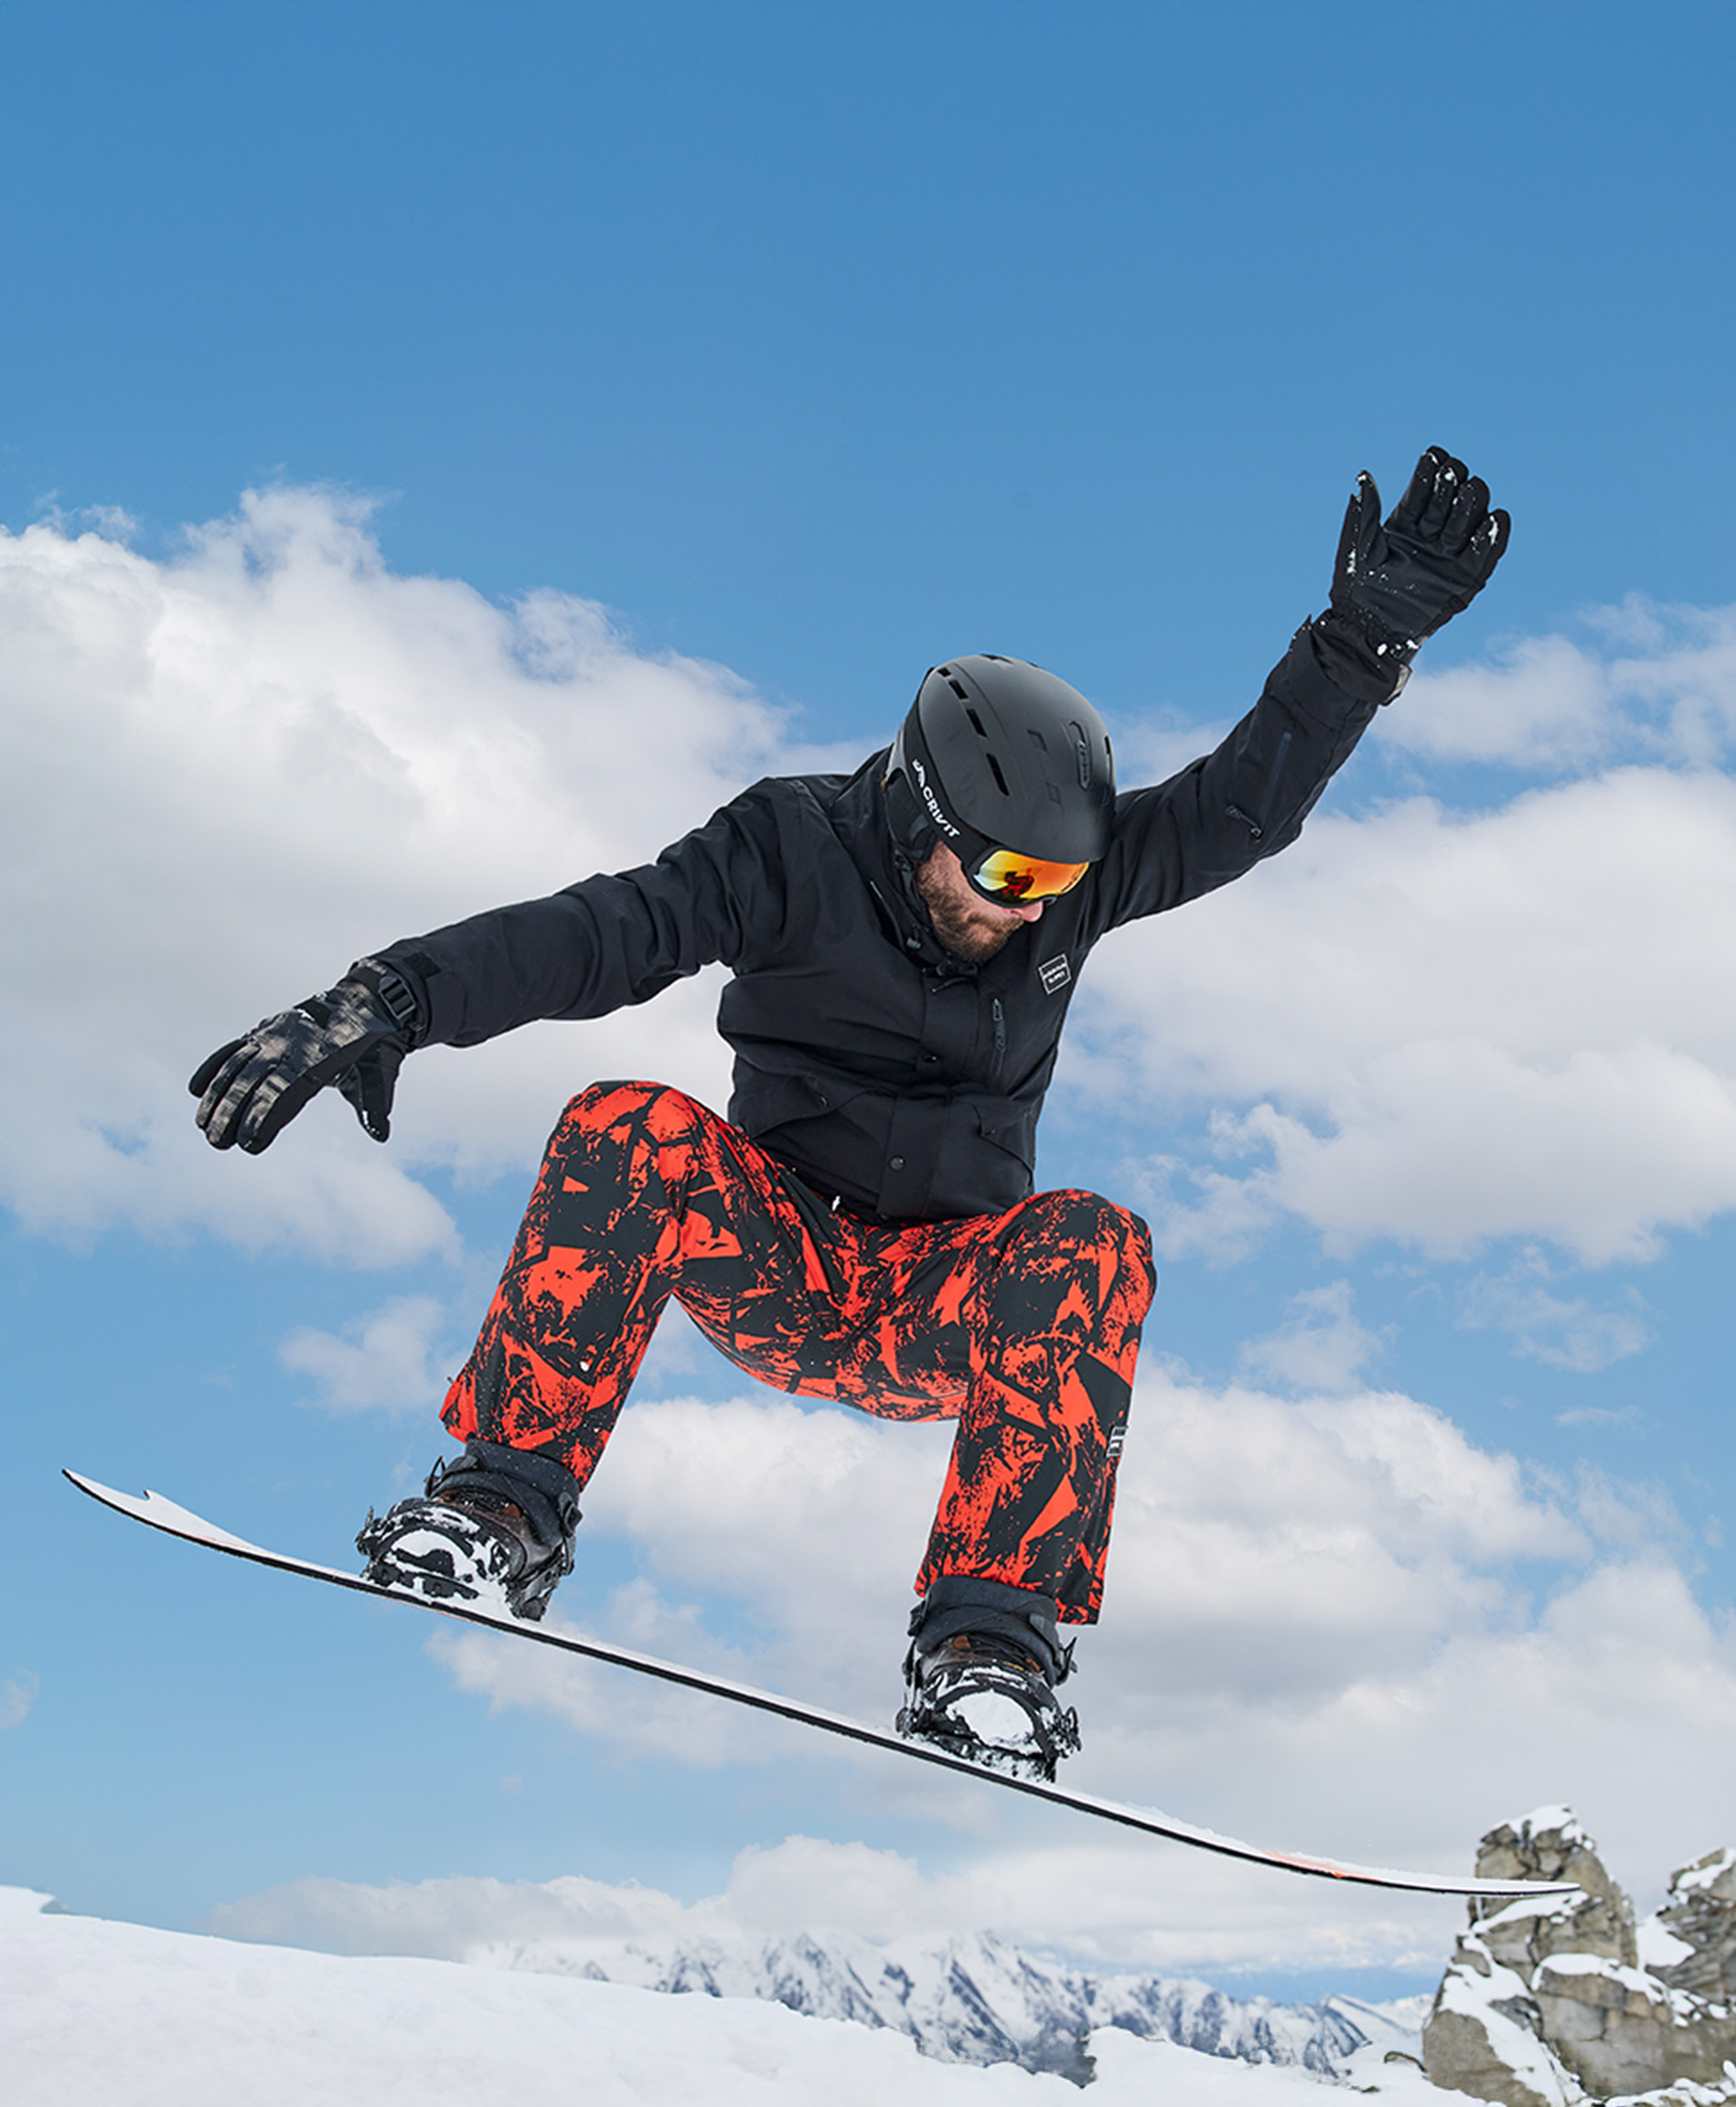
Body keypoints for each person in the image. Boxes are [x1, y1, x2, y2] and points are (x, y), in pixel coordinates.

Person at [190, 448, 1508, 1781]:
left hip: (943, 1297)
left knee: (1095, 1240)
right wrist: (394, 998)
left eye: (1058, 884)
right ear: (924, 818)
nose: (1030, 908)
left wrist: (1363, 644)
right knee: (627, 1126)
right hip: (780, 1258)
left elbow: (1238, 813)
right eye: (1007, 875)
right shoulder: (785, 848)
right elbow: (601, 933)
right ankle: (501, 1511)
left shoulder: (1061, 896)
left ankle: (988, 1651)